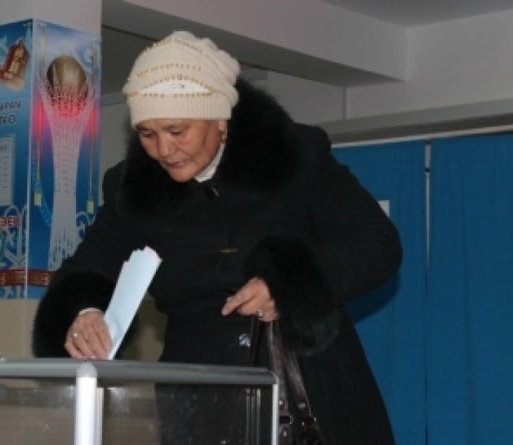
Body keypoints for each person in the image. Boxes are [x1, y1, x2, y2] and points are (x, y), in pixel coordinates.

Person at [32, 30, 401, 444]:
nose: (163, 150)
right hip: (197, 396)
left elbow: (377, 242)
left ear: (220, 120)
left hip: (309, 388)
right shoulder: (131, 188)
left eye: (176, 130)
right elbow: (86, 268)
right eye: (148, 134)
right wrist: (84, 313)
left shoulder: (296, 157)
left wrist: (290, 285)